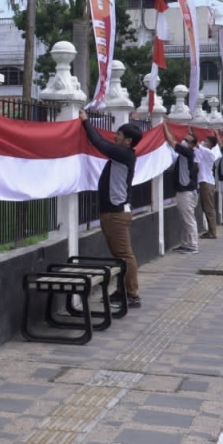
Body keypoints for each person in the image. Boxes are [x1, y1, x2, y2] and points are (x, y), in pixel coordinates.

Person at [80, 110, 143, 309]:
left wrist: (85, 122)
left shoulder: (123, 154)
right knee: (119, 256)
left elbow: (99, 142)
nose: (115, 136)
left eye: (119, 135)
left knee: (124, 254)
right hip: (112, 212)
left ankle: (132, 295)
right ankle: (121, 291)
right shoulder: (122, 154)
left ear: (128, 141)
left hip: (116, 213)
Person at [162, 123, 200, 254]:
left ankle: (193, 245)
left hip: (186, 192)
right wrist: (189, 130)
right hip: (187, 191)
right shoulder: (188, 152)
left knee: (188, 219)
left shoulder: (187, 152)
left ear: (191, 144)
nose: (183, 140)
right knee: (185, 218)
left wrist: (165, 125)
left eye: (186, 139)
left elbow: (171, 141)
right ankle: (186, 244)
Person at [195, 136, 220, 238]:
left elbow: (195, 144)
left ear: (210, 143)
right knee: (206, 207)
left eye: (206, 140)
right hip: (205, 182)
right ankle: (211, 230)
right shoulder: (205, 152)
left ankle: (212, 232)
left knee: (209, 208)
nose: (204, 141)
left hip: (207, 183)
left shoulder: (208, 152)